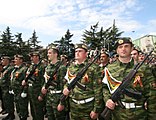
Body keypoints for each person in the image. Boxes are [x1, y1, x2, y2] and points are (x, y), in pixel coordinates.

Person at [102, 37, 156, 120]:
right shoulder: (109, 69)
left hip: (139, 114)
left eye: (126, 46)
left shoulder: (143, 68)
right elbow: (105, 87)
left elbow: (152, 94)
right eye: (120, 47)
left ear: (131, 49)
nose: (123, 49)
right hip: (117, 114)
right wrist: (107, 100)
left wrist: (152, 116)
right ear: (117, 50)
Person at [58, 44, 103, 120]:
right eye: (76, 51)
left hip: (87, 107)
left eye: (80, 51)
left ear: (86, 53)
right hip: (73, 106)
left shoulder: (94, 68)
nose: (77, 53)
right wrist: (65, 90)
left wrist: (96, 110)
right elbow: (67, 83)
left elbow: (98, 90)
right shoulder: (71, 68)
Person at [39, 46, 67, 120]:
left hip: (57, 97)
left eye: (50, 53)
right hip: (48, 97)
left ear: (56, 54)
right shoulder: (48, 67)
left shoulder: (61, 68)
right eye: (48, 53)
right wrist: (43, 88)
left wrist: (62, 103)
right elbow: (45, 81)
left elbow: (63, 86)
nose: (48, 55)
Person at [22, 52, 46, 120]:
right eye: (31, 57)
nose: (31, 58)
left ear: (37, 57)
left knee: (38, 111)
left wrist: (41, 94)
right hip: (31, 91)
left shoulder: (42, 67)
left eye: (33, 56)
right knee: (33, 109)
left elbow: (43, 81)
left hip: (37, 91)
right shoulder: (31, 66)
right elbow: (28, 78)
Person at [10, 55, 29, 120]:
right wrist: (11, 88)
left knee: (23, 108)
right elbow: (13, 79)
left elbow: (26, 81)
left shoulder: (24, 69)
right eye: (14, 59)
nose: (14, 60)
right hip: (16, 92)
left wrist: (24, 91)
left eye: (16, 59)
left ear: (21, 60)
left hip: (21, 92)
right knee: (18, 108)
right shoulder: (15, 69)